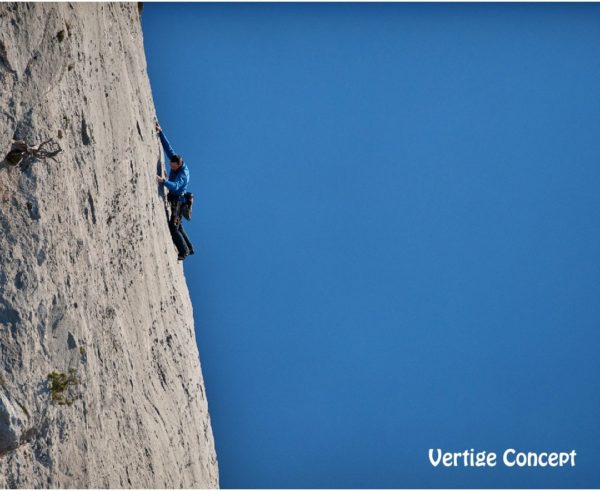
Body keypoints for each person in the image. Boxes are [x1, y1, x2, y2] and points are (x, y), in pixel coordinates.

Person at [155, 121, 194, 261]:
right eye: (171, 165)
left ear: (179, 164)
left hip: (178, 201)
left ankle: (184, 251)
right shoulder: (176, 161)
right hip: (176, 199)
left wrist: (163, 181)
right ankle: (190, 247)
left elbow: (176, 186)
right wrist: (160, 132)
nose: (172, 168)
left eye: (173, 167)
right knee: (179, 225)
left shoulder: (183, 175)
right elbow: (168, 149)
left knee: (174, 226)